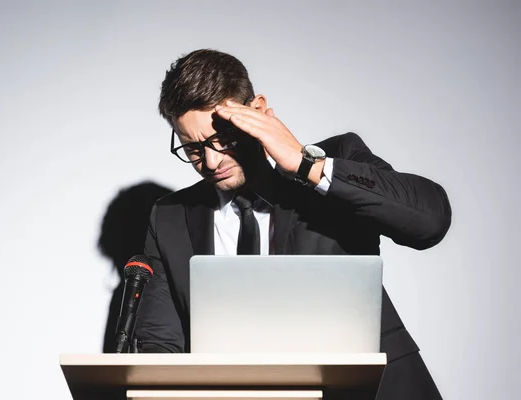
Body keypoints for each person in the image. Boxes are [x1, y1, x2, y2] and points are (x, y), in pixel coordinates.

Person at [134, 49, 452, 400]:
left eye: (222, 138)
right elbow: (160, 347)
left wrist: (306, 164)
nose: (211, 160)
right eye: (192, 149)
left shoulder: (337, 163)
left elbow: (430, 220)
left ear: (256, 111)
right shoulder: (169, 216)